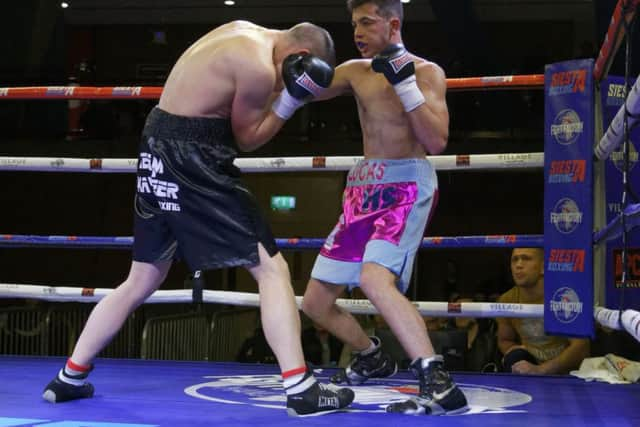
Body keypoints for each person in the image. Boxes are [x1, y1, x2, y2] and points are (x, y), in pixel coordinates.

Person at [42, 20, 355, 416]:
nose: (281, 83)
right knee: (271, 269)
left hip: (155, 146)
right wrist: (291, 101)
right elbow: (247, 138)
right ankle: (301, 387)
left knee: (143, 276)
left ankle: (68, 377)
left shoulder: (242, 30)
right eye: (289, 75)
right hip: (194, 157)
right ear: (299, 58)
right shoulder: (259, 68)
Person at [300, 0, 468, 415]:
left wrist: (405, 86)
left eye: (367, 22)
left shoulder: (427, 73)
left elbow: (436, 141)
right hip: (363, 189)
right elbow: (306, 89)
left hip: (406, 185)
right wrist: (291, 73)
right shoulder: (356, 71)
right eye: (354, 23)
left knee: (376, 281)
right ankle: (370, 356)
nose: (357, 31)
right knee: (315, 302)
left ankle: (439, 384)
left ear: (393, 24)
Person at [497, 248, 590, 374]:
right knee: (515, 357)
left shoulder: (564, 296)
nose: (518, 265)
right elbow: (505, 340)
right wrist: (514, 350)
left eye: (526, 259)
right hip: (531, 367)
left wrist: (542, 369)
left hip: (568, 372)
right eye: (515, 260)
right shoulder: (507, 299)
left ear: (543, 267)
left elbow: (580, 348)